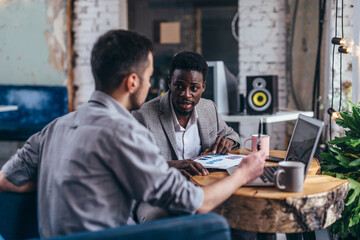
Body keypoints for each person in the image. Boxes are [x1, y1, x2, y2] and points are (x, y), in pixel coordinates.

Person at [0, 30, 266, 239]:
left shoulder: (54, 127)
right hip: (116, 236)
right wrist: (245, 171)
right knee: (214, 225)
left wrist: (66, 178)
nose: (152, 85)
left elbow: (5, 180)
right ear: (132, 82)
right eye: (150, 77)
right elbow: (196, 204)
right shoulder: (126, 132)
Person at [132, 51, 240, 179]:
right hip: (168, 190)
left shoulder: (208, 107)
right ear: (169, 83)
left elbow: (232, 135)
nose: (186, 94)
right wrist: (170, 166)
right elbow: (133, 165)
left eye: (194, 88)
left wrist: (228, 141)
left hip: (206, 184)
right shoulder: (143, 116)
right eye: (179, 86)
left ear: (203, 87)